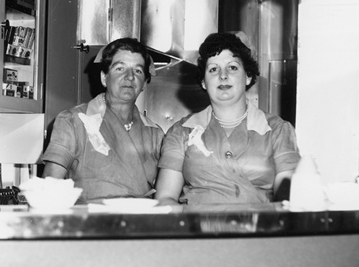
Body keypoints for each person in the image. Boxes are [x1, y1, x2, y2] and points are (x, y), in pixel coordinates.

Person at [155, 32, 300, 205]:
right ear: (203, 81)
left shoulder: (277, 130)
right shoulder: (181, 132)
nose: (223, 76)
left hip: (258, 228)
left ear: (247, 76)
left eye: (232, 67)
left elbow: (288, 199)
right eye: (213, 69)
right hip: (197, 228)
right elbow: (165, 198)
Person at [41, 38, 164, 203]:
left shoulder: (155, 133)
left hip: (140, 224)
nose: (129, 77)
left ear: (143, 85)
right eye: (120, 68)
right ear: (104, 78)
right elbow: (51, 185)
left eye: (138, 71)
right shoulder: (74, 121)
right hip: (89, 223)